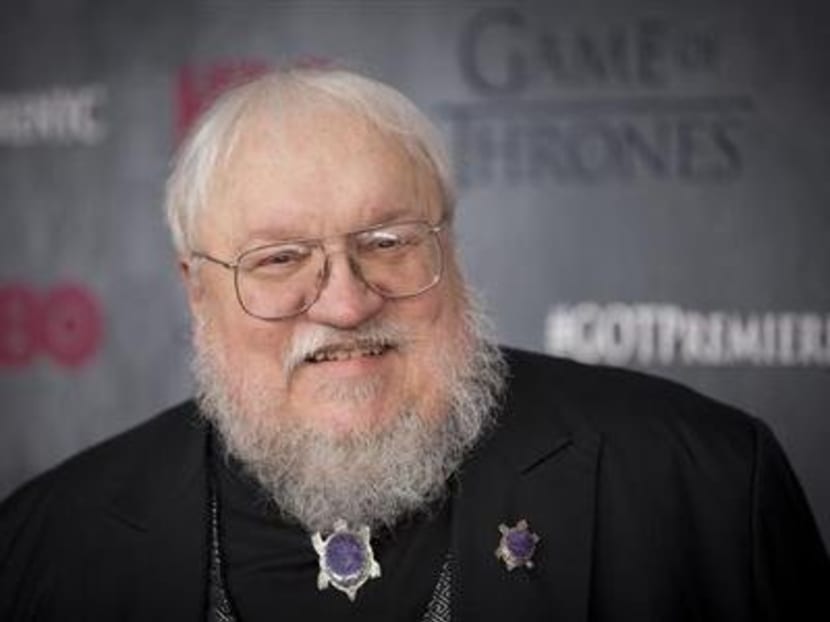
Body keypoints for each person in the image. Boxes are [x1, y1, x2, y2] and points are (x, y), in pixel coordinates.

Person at [0, 67, 827, 622]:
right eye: (280, 259)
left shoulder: (708, 487)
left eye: (389, 241)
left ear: (450, 248)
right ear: (195, 288)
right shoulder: (45, 547)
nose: (346, 301)